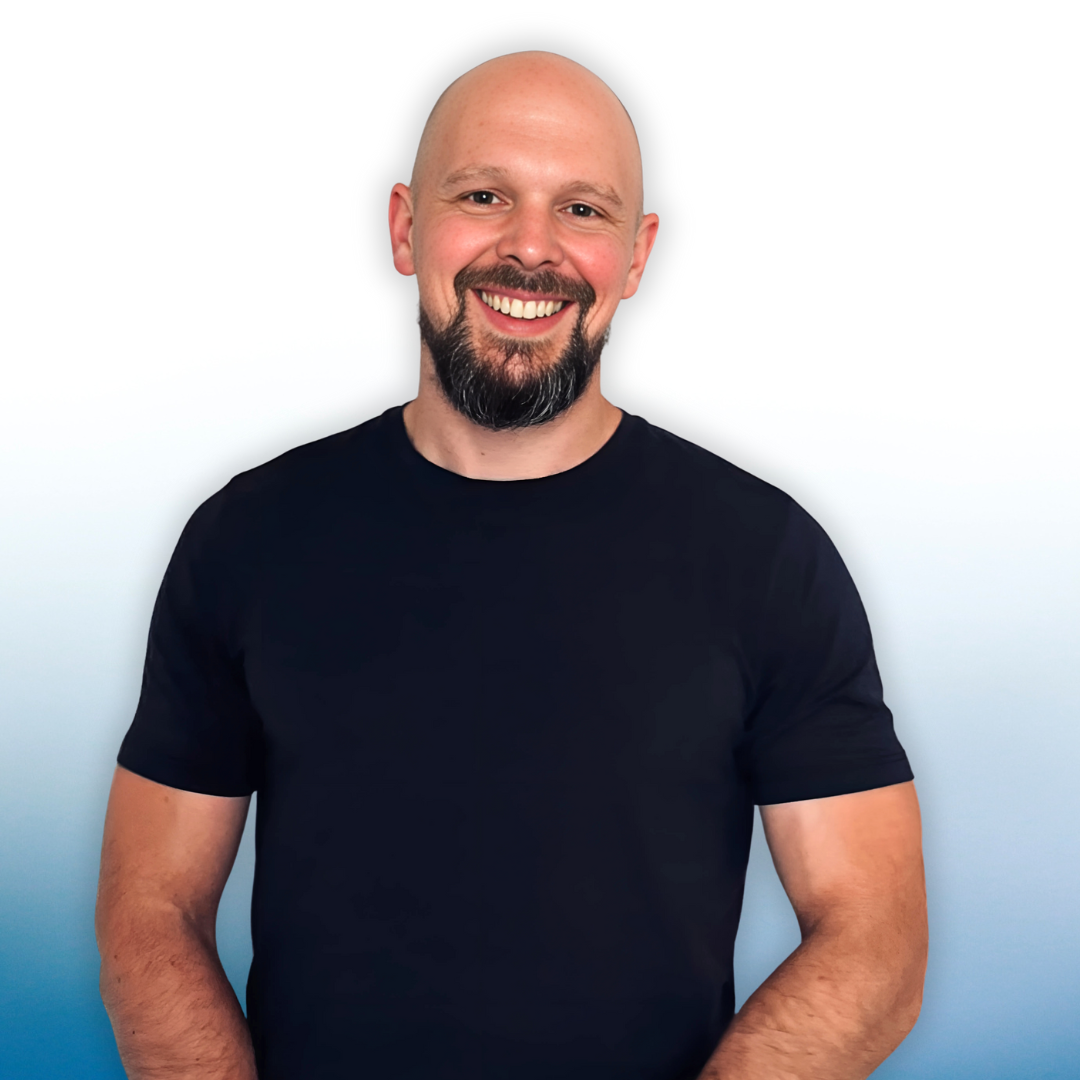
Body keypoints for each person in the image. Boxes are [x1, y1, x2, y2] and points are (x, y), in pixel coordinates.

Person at [95, 51, 927, 1080]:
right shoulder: (245, 539)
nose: (530, 249)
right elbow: (150, 908)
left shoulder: (766, 560)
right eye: (483, 195)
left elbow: (875, 941)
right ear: (404, 227)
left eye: (583, 210)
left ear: (635, 255)